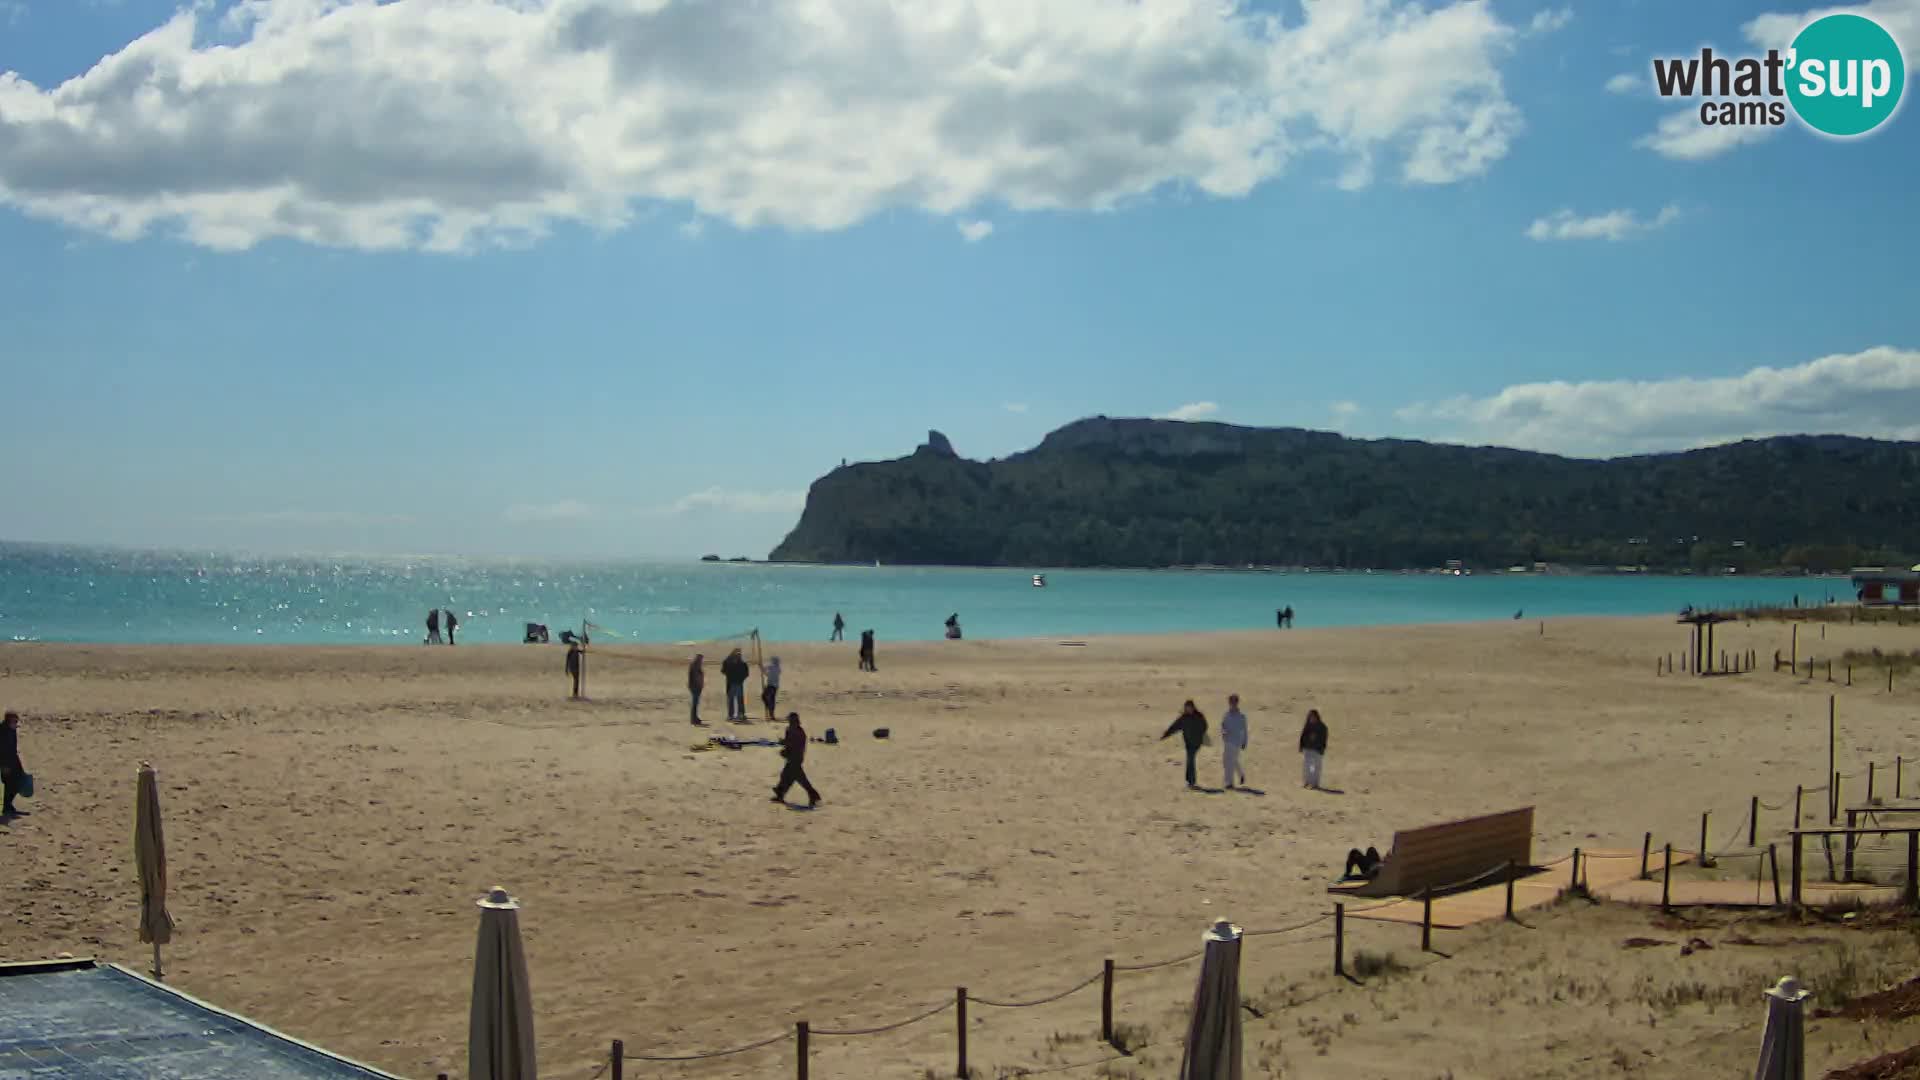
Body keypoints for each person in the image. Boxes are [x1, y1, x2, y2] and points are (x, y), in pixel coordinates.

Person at [771, 712, 822, 807]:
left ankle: (813, 795)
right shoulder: (791, 730)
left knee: (796, 778)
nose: (790, 723)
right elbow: (788, 743)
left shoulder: (799, 733)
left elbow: (795, 747)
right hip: (792, 758)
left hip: (795, 759)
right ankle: (780, 793)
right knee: (789, 776)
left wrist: (786, 751)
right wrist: (784, 744)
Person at [1160, 700, 1208, 790]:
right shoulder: (1183, 718)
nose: (1189, 709)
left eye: (1190, 707)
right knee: (1190, 760)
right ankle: (1189, 781)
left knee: (1190, 760)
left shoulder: (1199, 716)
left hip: (1196, 743)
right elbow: (1174, 727)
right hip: (1188, 743)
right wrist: (1165, 735)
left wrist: (1198, 733)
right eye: (1187, 708)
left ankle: (1192, 782)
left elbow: (1205, 726)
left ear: (1193, 707)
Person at [1220, 694, 1248, 789]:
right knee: (1229, 760)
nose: (1232, 704)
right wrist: (1223, 731)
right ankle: (1241, 775)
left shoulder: (1241, 716)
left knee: (1230, 762)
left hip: (1236, 741)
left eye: (1234, 702)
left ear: (1237, 703)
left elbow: (1244, 730)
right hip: (1227, 740)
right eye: (1230, 702)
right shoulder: (1226, 715)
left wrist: (1244, 742)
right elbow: (1223, 725)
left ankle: (1229, 783)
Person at [1298, 708, 1329, 790]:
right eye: (1310, 716)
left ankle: (1315, 784)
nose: (1311, 718)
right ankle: (1307, 782)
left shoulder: (1322, 727)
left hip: (1317, 750)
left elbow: (1324, 739)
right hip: (1308, 749)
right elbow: (1303, 736)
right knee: (1307, 767)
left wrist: (1322, 749)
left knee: (1316, 768)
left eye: (1312, 716)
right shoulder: (1307, 725)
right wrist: (1301, 746)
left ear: (1316, 717)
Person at [1, 711, 23, 818]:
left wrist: (19, 764)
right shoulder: (3, 732)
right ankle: (7, 807)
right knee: (9, 786)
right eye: (15, 721)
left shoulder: (12, 730)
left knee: (17, 783)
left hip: (13, 761)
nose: (16, 723)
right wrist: (4, 766)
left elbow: (13, 749)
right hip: (5, 763)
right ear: (9, 721)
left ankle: (8, 806)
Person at [721, 648, 750, 721]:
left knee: (739, 700)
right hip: (732, 684)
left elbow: (746, 673)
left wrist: (741, 679)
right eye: (737, 654)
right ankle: (731, 715)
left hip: (738, 684)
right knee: (732, 700)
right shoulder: (729, 663)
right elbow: (723, 670)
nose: (738, 656)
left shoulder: (742, 664)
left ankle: (740, 714)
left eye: (739, 655)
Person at [687, 654, 706, 726]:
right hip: (695, 687)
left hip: (698, 687)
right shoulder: (694, 666)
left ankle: (695, 718)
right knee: (694, 704)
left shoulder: (697, 666)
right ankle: (693, 719)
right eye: (701, 659)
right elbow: (694, 677)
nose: (701, 660)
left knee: (696, 703)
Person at [762, 656, 782, 721]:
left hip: (771, 686)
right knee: (771, 699)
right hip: (774, 686)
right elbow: (768, 674)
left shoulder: (773, 667)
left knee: (764, 696)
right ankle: (771, 714)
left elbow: (765, 669)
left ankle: (769, 709)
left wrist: (761, 667)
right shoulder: (778, 668)